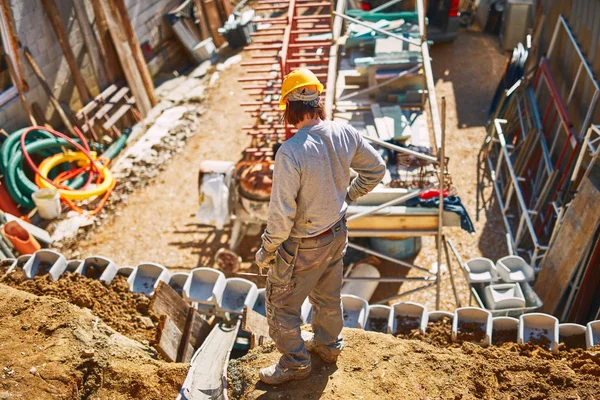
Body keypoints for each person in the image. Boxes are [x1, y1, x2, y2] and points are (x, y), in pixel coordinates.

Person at [255, 68, 386, 385]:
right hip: (336, 233)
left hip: (303, 245)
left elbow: (282, 215)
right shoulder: (344, 132)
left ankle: (296, 363)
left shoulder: (291, 151)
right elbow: (377, 170)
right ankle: (328, 347)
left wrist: (267, 250)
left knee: (280, 304)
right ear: (317, 102)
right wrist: (349, 195)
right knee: (328, 297)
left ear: (290, 107)